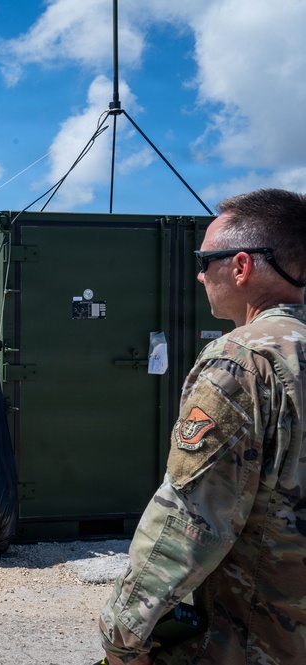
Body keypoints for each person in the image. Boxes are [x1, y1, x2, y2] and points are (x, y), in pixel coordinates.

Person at [98, 188, 306, 664]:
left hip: (257, 634)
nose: (198, 273)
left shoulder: (243, 358)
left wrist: (123, 632)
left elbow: (192, 516)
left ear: (240, 266)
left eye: (204, 258)